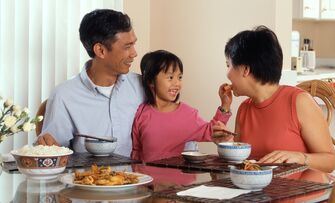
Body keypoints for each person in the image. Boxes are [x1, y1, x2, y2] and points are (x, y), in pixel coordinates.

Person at [223, 26, 335, 173]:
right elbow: (242, 164)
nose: (227, 74)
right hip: (256, 194)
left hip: (300, 193)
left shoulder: (299, 102)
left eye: (229, 65)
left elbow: (330, 162)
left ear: (245, 69)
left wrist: (300, 158)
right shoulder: (244, 109)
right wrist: (225, 143)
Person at [36, 9, 144, 157]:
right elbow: (52, 153)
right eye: (127, 46)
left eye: (134, 44)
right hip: (87, 178)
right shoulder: (64, 96)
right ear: (100, 50)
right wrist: (46, 148)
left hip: (138, 178)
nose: (134, 53)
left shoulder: (142, 87)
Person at [131, 50, 233, 162]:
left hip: (178, 178)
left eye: (179, 77)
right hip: (148, 178)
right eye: (170, 77)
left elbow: (213, 131)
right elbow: (136, 151)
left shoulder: (187, 114)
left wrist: (225, 105)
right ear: (151, 81)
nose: (177, 83)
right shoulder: (142, 112)